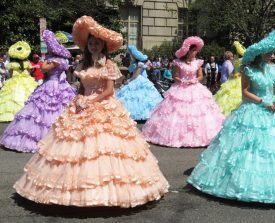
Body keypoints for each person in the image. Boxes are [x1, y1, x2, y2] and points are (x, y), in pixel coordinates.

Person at [14, 16, 169, 207]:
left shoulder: (109, 65)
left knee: (104, 151)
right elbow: (81, 87)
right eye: (91, 43)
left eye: (97, 43)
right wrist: (78, 98)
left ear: (103, 45)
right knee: (72, 148)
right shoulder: (82, 64)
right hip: (81, 105)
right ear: (87, 46)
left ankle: (108, 193)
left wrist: (90, 101)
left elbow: (109, 91)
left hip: (103, 106)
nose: (94, 46)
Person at [188, 30, 275, 203]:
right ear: (260, 53)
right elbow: (245, 93)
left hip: (273, 108)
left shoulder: (273, 69)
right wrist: (263, 102)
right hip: (252, 108)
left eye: (273, 51)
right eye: (270, 51)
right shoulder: (248, 70)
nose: (273, 54)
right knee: (246, 148)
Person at [0, 30, 76, 153]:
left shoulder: (56, 59)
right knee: (46, 111)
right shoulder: (63, 59)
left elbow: (44, 68)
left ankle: (50, 139)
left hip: (53, 85)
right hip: (58, 84)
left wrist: (45, 61)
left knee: (46, 112)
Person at [142, 36, 225, 148]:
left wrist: (194, 80)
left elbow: (200, 76)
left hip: (195, 88)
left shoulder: (198, 62)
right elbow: (175, 76)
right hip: (180, 89)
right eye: (194, 50)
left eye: (196, 50)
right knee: (177, 113)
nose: (196, 52)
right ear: (188, 51)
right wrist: (182, 81)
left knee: (199, 113)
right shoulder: (178, 63)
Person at [116, 45, 163, 120]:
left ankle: (141, 114)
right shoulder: (136, 63)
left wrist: (129, 81)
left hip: (138, 80)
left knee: (138, 97)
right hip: (139, 79)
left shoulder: (139, 64)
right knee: (139, 97)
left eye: (132, 55)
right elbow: (145, 68)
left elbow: (136, 75)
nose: (131, 56)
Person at [0, 41, 38, 122]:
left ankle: (15, 113)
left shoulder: (12, 65)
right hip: (26, 80)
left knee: (12, 98)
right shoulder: (27, 63)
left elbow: (10, 74)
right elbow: (29, 72)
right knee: (28, 95)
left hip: (14, 81)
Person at [214, 41, 245, 116]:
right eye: (231, 56)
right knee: (234, 96)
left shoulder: (227, 62)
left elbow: (232, 72)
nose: (233, 57)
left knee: (226, 96)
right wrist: (240, 74)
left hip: (228, 81)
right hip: (233, 80)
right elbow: (232, 73)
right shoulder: (229, 63)